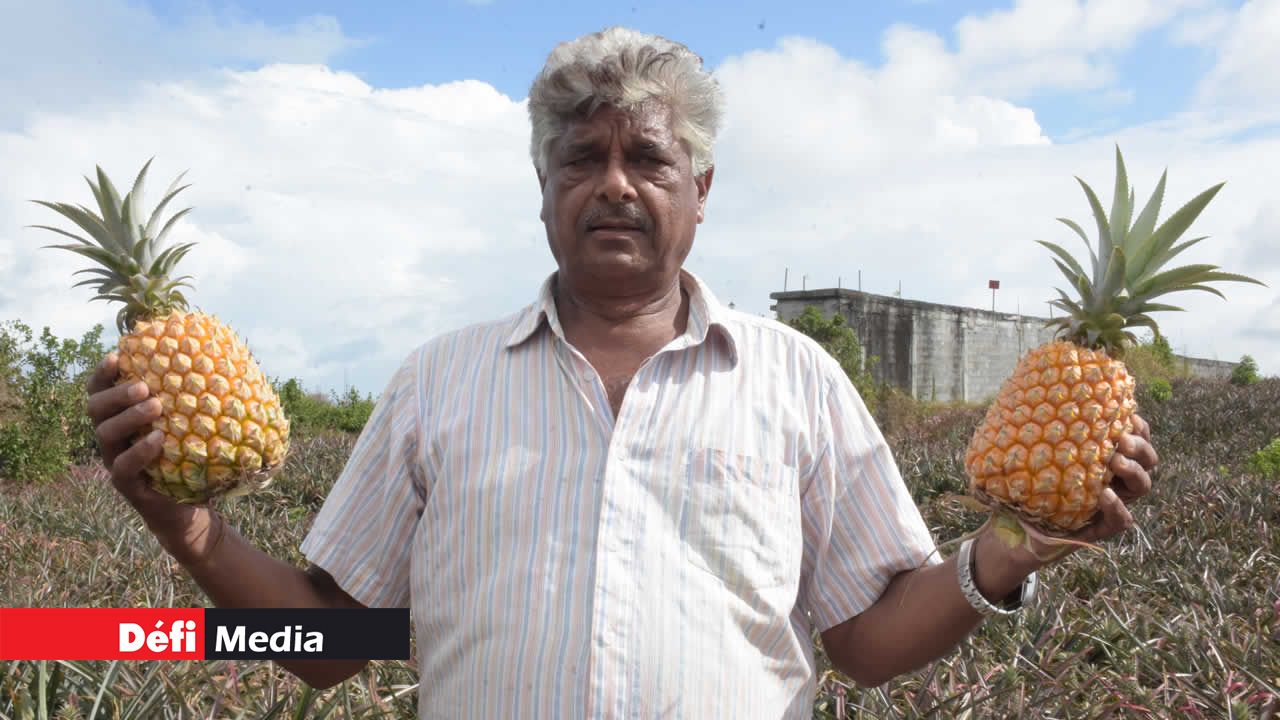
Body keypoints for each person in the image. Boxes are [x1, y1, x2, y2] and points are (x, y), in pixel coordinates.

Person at [85, 26, 1157, 719]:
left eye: (645, 159)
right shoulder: (435, 382)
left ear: (698, 190)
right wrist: (188, 531)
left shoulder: (796, 382)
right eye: (578, 161)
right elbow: (331, 649)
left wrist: (1012, 548)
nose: (612, 185)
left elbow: (866, 646)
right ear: (542, 191)